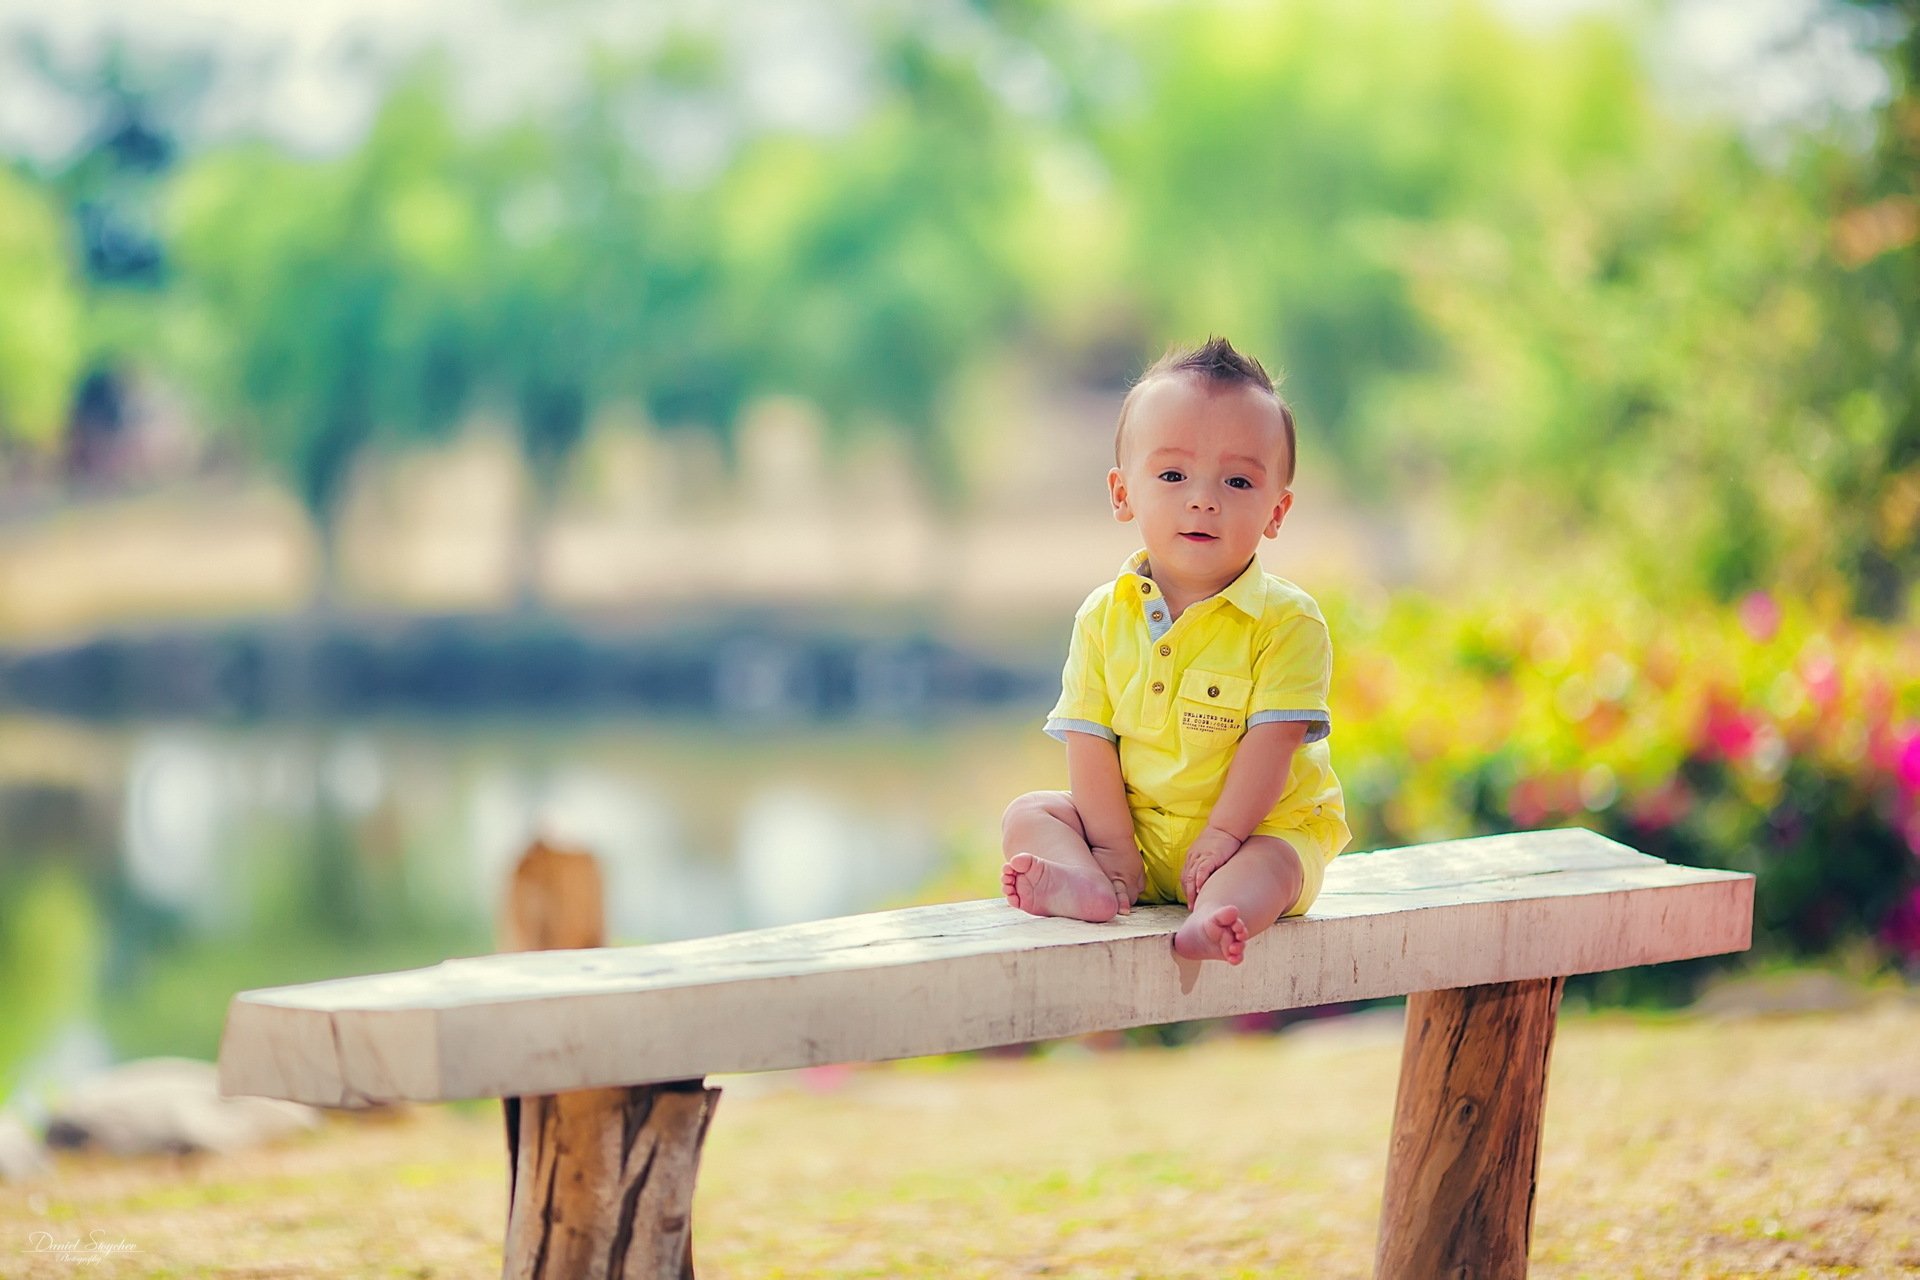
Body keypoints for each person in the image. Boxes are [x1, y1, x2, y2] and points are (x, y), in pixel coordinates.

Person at [1000, 336, 1351, 965]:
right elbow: (1091, 740)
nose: (1203, 498)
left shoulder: (1286, 621)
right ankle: (1087, 886)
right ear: (1122, 493)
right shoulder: (1103, 617)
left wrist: (1223, 836)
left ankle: (1218, 918)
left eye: (1238, 480)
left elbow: (1271, 748)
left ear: (1278, 510)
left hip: (1250, 834)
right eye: (1172, 475)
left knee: (1277, 864)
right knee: (1028, 815)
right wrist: (1112, 851)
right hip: (1133, 841)